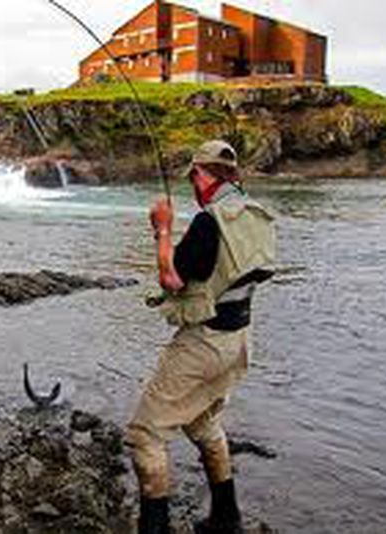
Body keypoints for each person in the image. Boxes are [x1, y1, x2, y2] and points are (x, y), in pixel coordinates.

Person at [126, 140, 276, 534]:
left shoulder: (209, 221)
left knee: (144, 436)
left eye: (193, 177)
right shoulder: (256, 214)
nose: (192, 186)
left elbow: (171, 279)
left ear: (201, 175)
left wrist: (162, 229)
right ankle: (227, 519)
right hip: (240, 340)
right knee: (203, 424)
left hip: (204, 343)